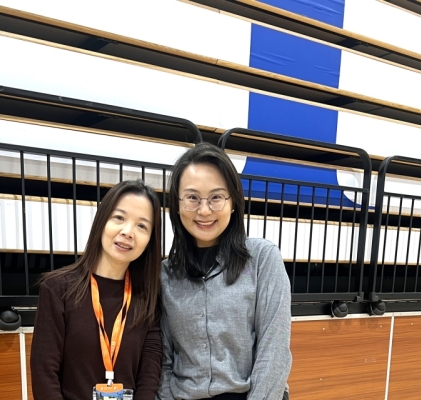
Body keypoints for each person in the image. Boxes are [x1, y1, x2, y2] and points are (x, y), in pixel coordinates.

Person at [158, 143, 292, 400]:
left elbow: (274, 350)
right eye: (192, 198)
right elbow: (162, 360)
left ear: (233, 203)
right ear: (177, 205)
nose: (204, 210)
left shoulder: (263, 258)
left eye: (216, 197)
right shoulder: (165, 274)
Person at [31, 179, 163, 400]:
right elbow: (44, 373)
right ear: (102, 221)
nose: (128, 232)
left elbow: (149, 375)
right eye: (119, 218)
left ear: (150, 239)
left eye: (142, 226)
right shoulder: (57, 289)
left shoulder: (148, 298)